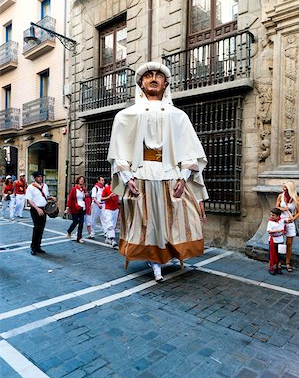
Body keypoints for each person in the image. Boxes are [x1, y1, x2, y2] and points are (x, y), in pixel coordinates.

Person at [107, 61, 208, 282]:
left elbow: (189, 149)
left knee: (173, 219)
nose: (153, 78)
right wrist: (127, 177)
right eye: (148, 75)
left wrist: (183, 177)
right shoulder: (126, 115)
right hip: (141, 175)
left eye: (158, 76)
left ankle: (168, 254)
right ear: (141, 83)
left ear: (165, 84)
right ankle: (154, 261)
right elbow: (118, 151)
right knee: (147, 221)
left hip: (170, 174)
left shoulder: (178, 115)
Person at [25, 171, 56, 255]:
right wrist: (37, 209)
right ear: (35, 178)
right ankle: (33, 247)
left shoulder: (45, 186)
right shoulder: (31, 187)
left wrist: (51, 198)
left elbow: (45, 197)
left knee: (41, 228)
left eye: (41, 176)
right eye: (38, 177)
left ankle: (38, 246)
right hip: (35, 209)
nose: (40, 178)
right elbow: (29, 200)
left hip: (44, 209)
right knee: (37, 228)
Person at [276, 181, 299, 272]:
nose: (283, 189)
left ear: (290, 189)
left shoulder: (296, 198)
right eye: (283, 187)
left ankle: (288, 262)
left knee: (289, 244)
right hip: (281, 221)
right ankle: (279, 262)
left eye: (285, 187)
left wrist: (293, 219)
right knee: (280, 242)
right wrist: (282, 209)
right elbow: (276, 208)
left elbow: (298, 212)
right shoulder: (280, 196)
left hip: (290, 222)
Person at [65, 175, 88, 243]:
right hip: (75, 208)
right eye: (80, 179)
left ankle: (79, 238)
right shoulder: (74, 189)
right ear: (78, 181)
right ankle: (69, 231)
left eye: (83, 179)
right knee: (75, 222)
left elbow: (84, 198)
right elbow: (70, 199)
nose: (82, 180)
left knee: (81, 223)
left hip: (82, 207)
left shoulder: (84, 189)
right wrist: (67, 208)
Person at [101, 178, 119, 249]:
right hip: (108, 209)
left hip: (115, 209)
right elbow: (101, 198)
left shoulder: (117, 190)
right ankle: (113, 240)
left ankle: (108, 238)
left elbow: (119, 200)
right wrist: (109, 197)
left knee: (113, 225)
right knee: (110, 224)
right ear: (111, 182)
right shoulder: (106, 189)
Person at [267, 207, 285, 275]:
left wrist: (286, 210)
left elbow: (291, 219)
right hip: (273, 240)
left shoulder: (282, 220)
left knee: (280, 255)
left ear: (278, 216)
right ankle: (272, 267)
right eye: (271, 215)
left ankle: (278, 267)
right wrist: (278, 230)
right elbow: (269, 231)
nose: (271, 216)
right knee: (272, 255)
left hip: (280, 240)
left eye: (273, 215)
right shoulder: (270, 222)